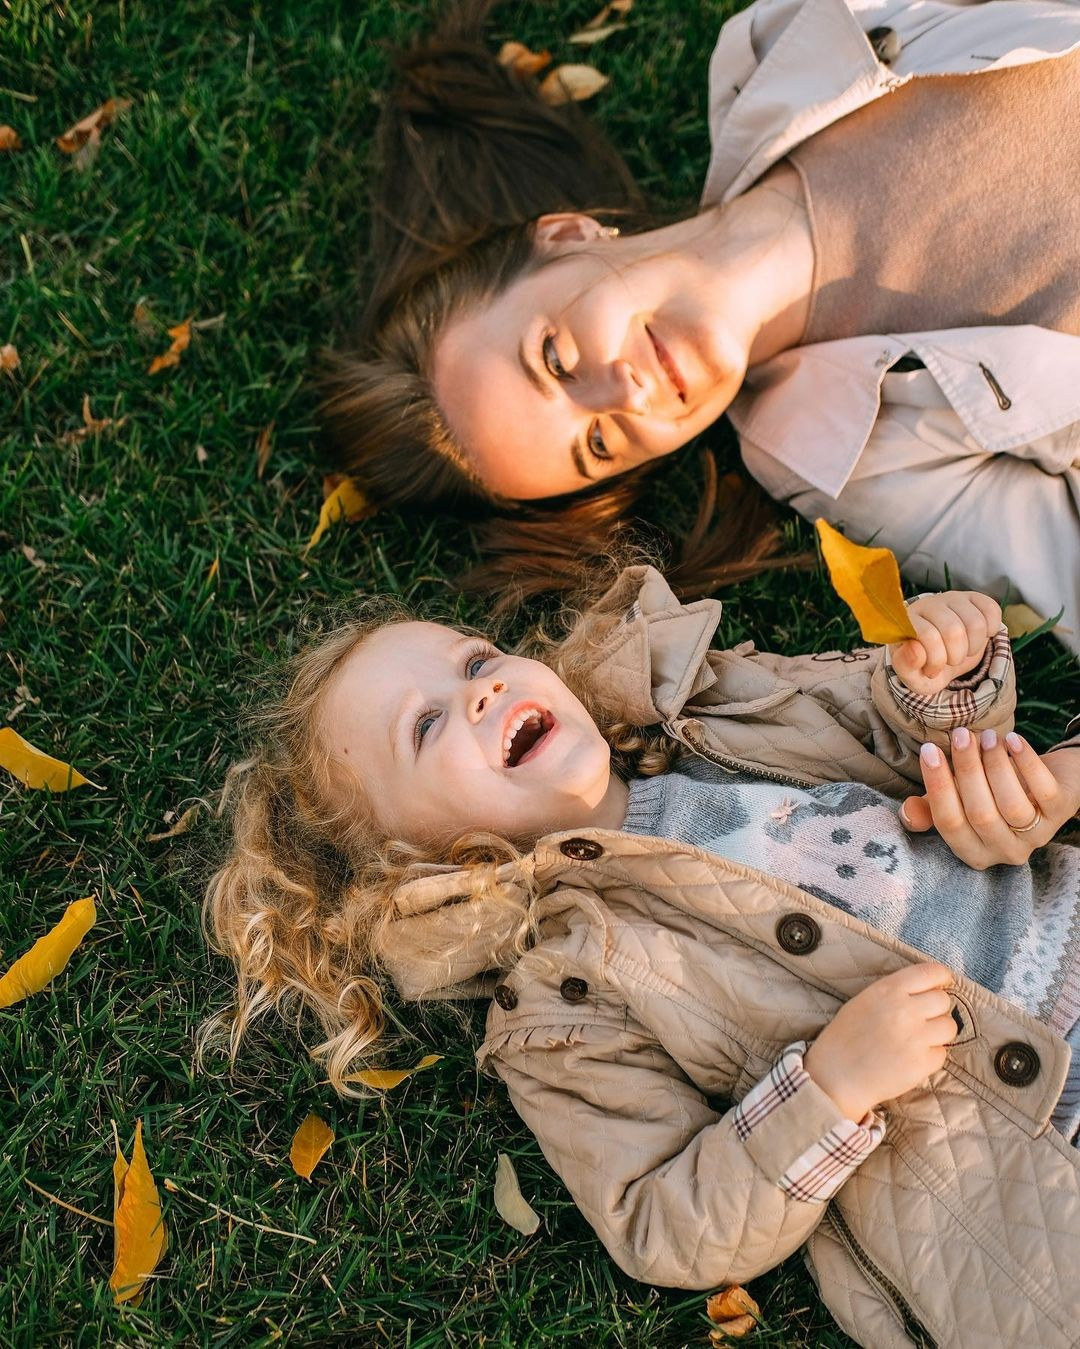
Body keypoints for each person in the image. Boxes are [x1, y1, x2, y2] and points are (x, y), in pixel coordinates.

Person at [204, 565, 1080, 1347]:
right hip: (1015, 1161)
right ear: (421, 863)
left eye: (474, 661)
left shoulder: (703, 716)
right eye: (427, 726)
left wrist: (941, 680)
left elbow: (890, 731)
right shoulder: (564, 997)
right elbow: (661, 1219)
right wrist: (829, 1090)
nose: (481, 690)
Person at [321, 0, 1080, 646]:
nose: (622, 390)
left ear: (567, 235)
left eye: (554, 359)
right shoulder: (852, 465)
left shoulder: (781, 48)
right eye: (597, 444)